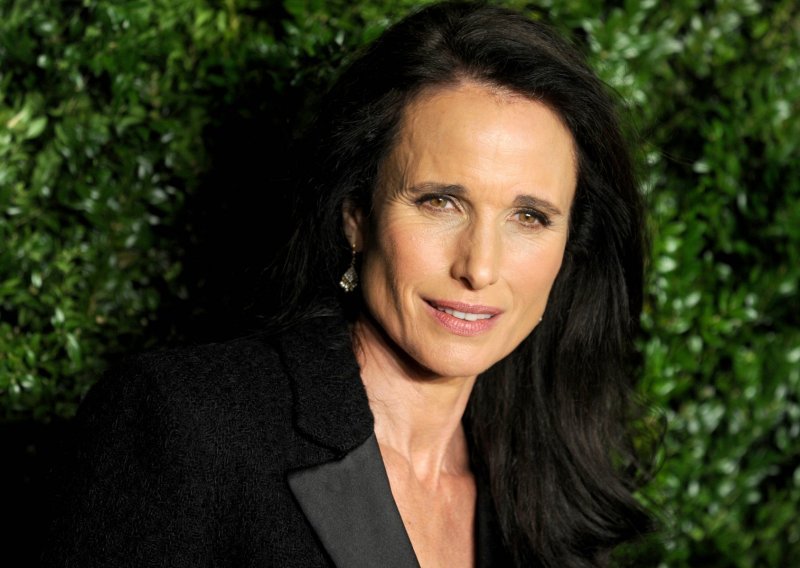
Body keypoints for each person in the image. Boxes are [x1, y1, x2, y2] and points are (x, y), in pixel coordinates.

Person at [44, 2, 654, 566]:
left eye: (530, 217)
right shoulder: (186, 425)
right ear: (356, 214)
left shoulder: (544, 496)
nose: (480, 267)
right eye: (440, 202)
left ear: (569, 247)